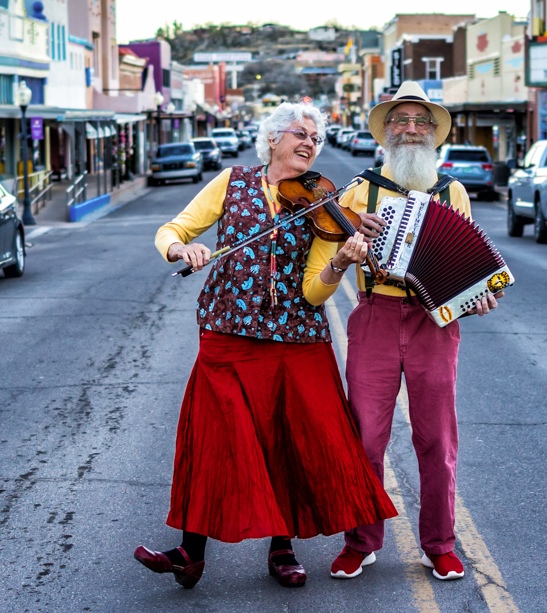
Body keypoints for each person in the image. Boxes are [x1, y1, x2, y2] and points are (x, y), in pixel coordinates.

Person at [134, 101, 397, 589]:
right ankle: (190, 552)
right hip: (227, 333)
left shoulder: (324, 204)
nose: (309, 144)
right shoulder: (231, 182)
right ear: (273, 137)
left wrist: (339, 263)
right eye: (300, 133)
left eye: (316, 139)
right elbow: (174, 229)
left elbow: (314, 291)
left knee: (287, 442)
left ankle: (283, 548)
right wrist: (180, 248)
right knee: (214, 438)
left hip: (295, 340)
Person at [330, 82, 503, 582]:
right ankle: (360, 541)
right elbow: (329, 253)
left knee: (438, 439)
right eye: (401, 121)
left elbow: (467, 264)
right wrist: (350, 237)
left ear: (433, 133)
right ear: (386, 132)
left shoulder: (453, 191)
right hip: (376, 317)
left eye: (420, 122)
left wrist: (477, 297)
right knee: (365, 437)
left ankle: (439, 544)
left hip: (434, 326)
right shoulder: (359, 190)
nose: (410, 129)